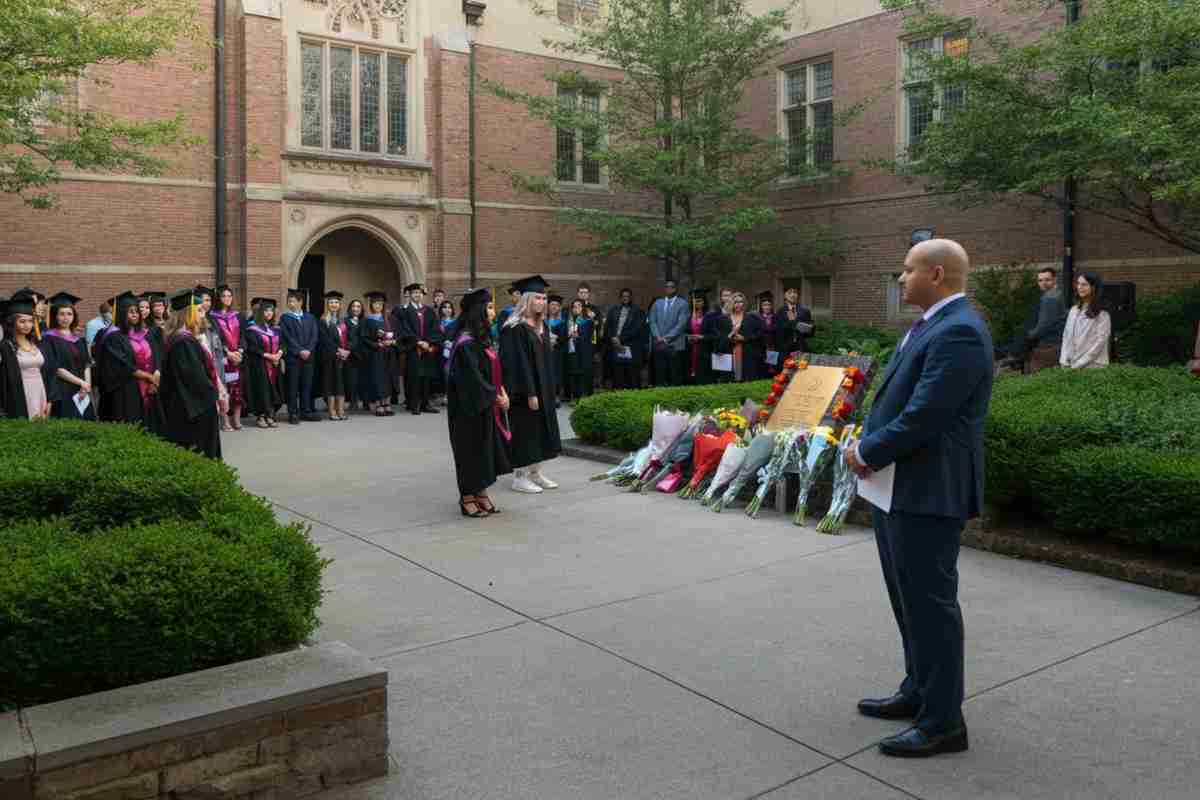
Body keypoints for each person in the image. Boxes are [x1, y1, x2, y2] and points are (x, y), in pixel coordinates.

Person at [845, 238, 993, 758]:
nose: (900, 279)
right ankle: (919, 691)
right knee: (908, 603)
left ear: (935, 274)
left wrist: (867, 450)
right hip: (900, 489)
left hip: (929, 492)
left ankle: (943, 722)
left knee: (931, 608)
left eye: (906, 271)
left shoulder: (960, 332)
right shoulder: (934, 324)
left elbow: (927, 415)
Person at [446, 288, 512, 517]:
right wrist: (495, 395)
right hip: (467, 408)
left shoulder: (483, 337)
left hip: (484, 405)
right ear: (478, 311)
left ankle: (481, 492)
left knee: (483, 451)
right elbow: (472, 380)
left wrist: (501, 392)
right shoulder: (465, 342)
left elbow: (492, 371)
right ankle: (467, 497)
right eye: (490, 307)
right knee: (469, 451)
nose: (494, 312)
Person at [500, 275, 562, 494]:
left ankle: (535, 472)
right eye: (537, 297)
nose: (542, 302)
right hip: (524, 391)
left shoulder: (542, 325)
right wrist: (530, 393)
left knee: (541, 432)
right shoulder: (514, 327)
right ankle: (519, 476)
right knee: (525, 432)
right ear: (526, 300)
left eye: (544, 298)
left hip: (544, 387)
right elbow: (516, 364)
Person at [160, 288, 223, 459]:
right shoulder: (183, 342)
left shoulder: (180, 339)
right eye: (199, 311)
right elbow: (196, 380)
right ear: (189, 313)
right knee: (199, 452)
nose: (202, 315)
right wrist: (215, 396)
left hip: (188, 406)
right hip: (194, 410)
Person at [98, 292, 157, 425]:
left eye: (137, 311)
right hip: (127, 389)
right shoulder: (113, 337)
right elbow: (123, 365)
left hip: (148, 386)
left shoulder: (143, 334)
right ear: (121, 313)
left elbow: (155, 356)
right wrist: (149, 377)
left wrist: (154, 377)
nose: (135, 314)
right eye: (130, 311)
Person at [42, 292, 96, 420]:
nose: (66, 318)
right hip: (62, 389)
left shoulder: (79, 339)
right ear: (55, 316)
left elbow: (86, 364)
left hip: (82, 391)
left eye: (69, 314)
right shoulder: (48, 338)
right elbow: (57, 368)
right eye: (61, 314)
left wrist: (87, 385)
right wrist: (81, 382)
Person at [396, 284, 443, 415]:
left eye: (419, 293)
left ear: (422, 295)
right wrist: (417, 342)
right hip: (413, 349)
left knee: (426, 376)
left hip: (427, 349)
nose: (417, 295)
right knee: (414, 377)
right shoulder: (404, 311)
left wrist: (429, 343)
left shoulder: (428, 311)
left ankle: (425, 403)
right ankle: (414, 404)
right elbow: (403, 329)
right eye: (414, 293)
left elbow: (435, 329)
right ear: (410, 295)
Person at [0, 297, 51, 419]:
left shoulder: (36, 343)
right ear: (12, 322)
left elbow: (46, 371)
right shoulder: (6, 346)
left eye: (30, 321)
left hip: (40, 390)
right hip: (20, 393)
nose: (27, 325)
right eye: (22, 321)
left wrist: (50, 399)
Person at [279, 287, 321, 424]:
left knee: (306, 385)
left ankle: (306, 411)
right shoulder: (285, 318)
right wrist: (299, 351)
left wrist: (308, 350)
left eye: (292, 301)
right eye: (288, 301)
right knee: (293, 386)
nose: (290, 304)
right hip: (293, 358)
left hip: (309, 357)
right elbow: (287, 337)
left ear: (300, 302)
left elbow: (314, 336)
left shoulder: (310, 317)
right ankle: (293, 413)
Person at [243, 297, 283, 428]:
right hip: (260, 365)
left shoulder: (276, 329)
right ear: (260, 313)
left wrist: (279, 354)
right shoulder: (252, 329)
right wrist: (270, 356)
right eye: (266, 311)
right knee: (262, 389)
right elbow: (253, 348)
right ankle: (260, 416)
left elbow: (283, 344)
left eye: (271, 311)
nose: (269, 313)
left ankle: (270, 414)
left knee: (273, 389)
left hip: (275, 364)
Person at [209, 285, 245, 431]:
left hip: (238, 359)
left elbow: (243, 335)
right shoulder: (212, 317)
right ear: (218, 298)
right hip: (223, 359)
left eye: (229, 296)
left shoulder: (238, 316)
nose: (227, 299)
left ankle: (236, 419)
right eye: (224, 296)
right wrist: (228, 353)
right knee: (225, 389)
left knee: (238, 389)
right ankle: (225, 420)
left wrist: (240, 352)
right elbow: (216, 338)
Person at [1059, 272, 1111, 370]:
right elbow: (1066, 336)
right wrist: (1063, 359)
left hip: (1093, 366)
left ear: (1094, 287)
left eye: (1084, 284)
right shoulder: (1073, 310)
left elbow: (1100, 342)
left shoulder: (1102, 313)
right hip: (1070, 364)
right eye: (1078, 284)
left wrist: (1079, 363)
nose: (1079, 287)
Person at [359, 290, 397, 417]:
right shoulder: (367, 320)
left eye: (380, 304)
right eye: (375, 304)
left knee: (388, 378)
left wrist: (392, 341)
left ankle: (387, 403)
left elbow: (397, 334)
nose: (378, 306)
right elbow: (364, 338)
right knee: (377, 379)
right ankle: (378, 404)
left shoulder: (389, 319)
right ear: (371, 305)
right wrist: (377, 344)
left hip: (389, 353)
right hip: (375, 354)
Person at [715, 292, 765, 382]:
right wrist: (730, 335)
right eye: (736, 302)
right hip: (729, 354)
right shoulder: (722, 319)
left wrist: (744, 338)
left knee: (747, 381)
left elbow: (759, 336)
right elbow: (718, 338)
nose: (738, 304)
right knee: (729, 382)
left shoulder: (752, 318)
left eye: (741, 302)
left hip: (747, 354)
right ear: (731, 303)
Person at [648, 279, 689, 386]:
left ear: (676, 289)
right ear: (664, 289)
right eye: (667, 287)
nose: (669, 289)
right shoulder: (657, 303)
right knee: (659, 375)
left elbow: (681, 325)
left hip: (675, 345)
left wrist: (666, 338)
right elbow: (652, 321)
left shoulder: (683, 304)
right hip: (659, 344)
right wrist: (657, 336)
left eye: (672, 287)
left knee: (675, 375)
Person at [605, 288, 647, 390]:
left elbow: (637, 329)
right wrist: (613, 338)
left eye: (628, 296)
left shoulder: (638, 311)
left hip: (631, 346)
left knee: (632, 375)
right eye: (623, 296)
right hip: (616, 346)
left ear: (631, 297)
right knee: (618, 375)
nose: (625, 298)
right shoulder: (613, 310)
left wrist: (620, 339)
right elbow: (608, 326)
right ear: (620, 298)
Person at [317, 290, 349, 421]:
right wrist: (337, 350)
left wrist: (346, 351)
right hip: (329, 357)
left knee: (340, 383)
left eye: (336, 302)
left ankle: (341, 410)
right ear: (327, 304)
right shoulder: (323, 320)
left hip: (342, 357)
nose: (334, 304)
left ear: (340, 304)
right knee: (330, 383)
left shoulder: (343, 321)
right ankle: (332, 411)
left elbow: (348, 338)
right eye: (331, 302)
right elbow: (324, 339)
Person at [562, 298, 595, 402]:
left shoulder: (588, 321)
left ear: (583, 308)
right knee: (573, 374)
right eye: (574, 307)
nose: (576, 308)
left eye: (579, 306)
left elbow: (588, 336)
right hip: (572, 351)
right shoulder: (569, 321)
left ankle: (583, 397)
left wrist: (578, 335)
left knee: (582, 375)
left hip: (583, 352)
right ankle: (574, 396)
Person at [777, 284, 815, 358]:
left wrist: (810, 329)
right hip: (785, 349)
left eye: (795, 292)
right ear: (785, 296)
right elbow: (778, 331)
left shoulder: (805, 311)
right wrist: (792, 323)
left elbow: (809, 334)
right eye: (790, 293)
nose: (793, 295)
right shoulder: (780, 311)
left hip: (801, 347)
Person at [343, 298, 365, 411]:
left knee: (363, 378)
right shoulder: (345, 321)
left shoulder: (365, 321)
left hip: (363, 354)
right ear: (350, 309)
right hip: (351, 355)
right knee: (351, 379)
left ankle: (365, 401)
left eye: (358, 307)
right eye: (354, 306)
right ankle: (352, 401)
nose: (356, 309)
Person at [434, 299, 457, 403]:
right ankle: (443, 394)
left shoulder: (456, 322)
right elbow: (434, 336)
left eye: (449, 307)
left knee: (450, 373)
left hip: (453, 351)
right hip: (440, 351)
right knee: (442, 373)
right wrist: (442, 343)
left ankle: (450, 395)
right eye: (444, 307)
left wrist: (453, 344)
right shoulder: (437, 323)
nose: (447, 310)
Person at [757, 291, 780, 376]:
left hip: (772, 345)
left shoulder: (776, 317)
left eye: (769, 305)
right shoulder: (757, 317)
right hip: (761, 346)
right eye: (764, 305)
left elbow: (777, 330)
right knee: (762, 367)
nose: (767, 307)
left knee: (772, 369)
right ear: (761, 306)